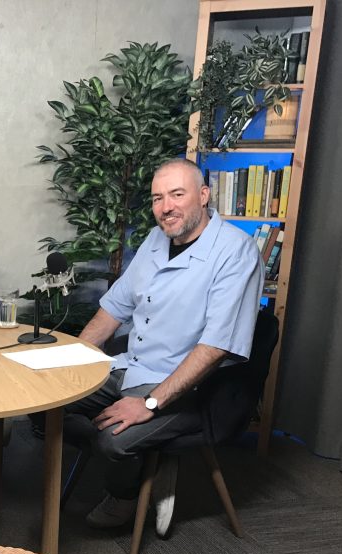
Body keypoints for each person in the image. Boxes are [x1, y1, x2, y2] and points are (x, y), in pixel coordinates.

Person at [67, 158, 263, 533]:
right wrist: (67, 365)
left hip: (189, 385)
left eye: (177, 194)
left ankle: (126, 490)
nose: (166, 207)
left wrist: (149, 404)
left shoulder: (236, 252)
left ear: (204, 195)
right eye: (158, 198)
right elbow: (112, 311)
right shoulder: (156, 240)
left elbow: (214, 348)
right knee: (45, 402)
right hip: (132, 366)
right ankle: (149, 463)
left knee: (111, 441)